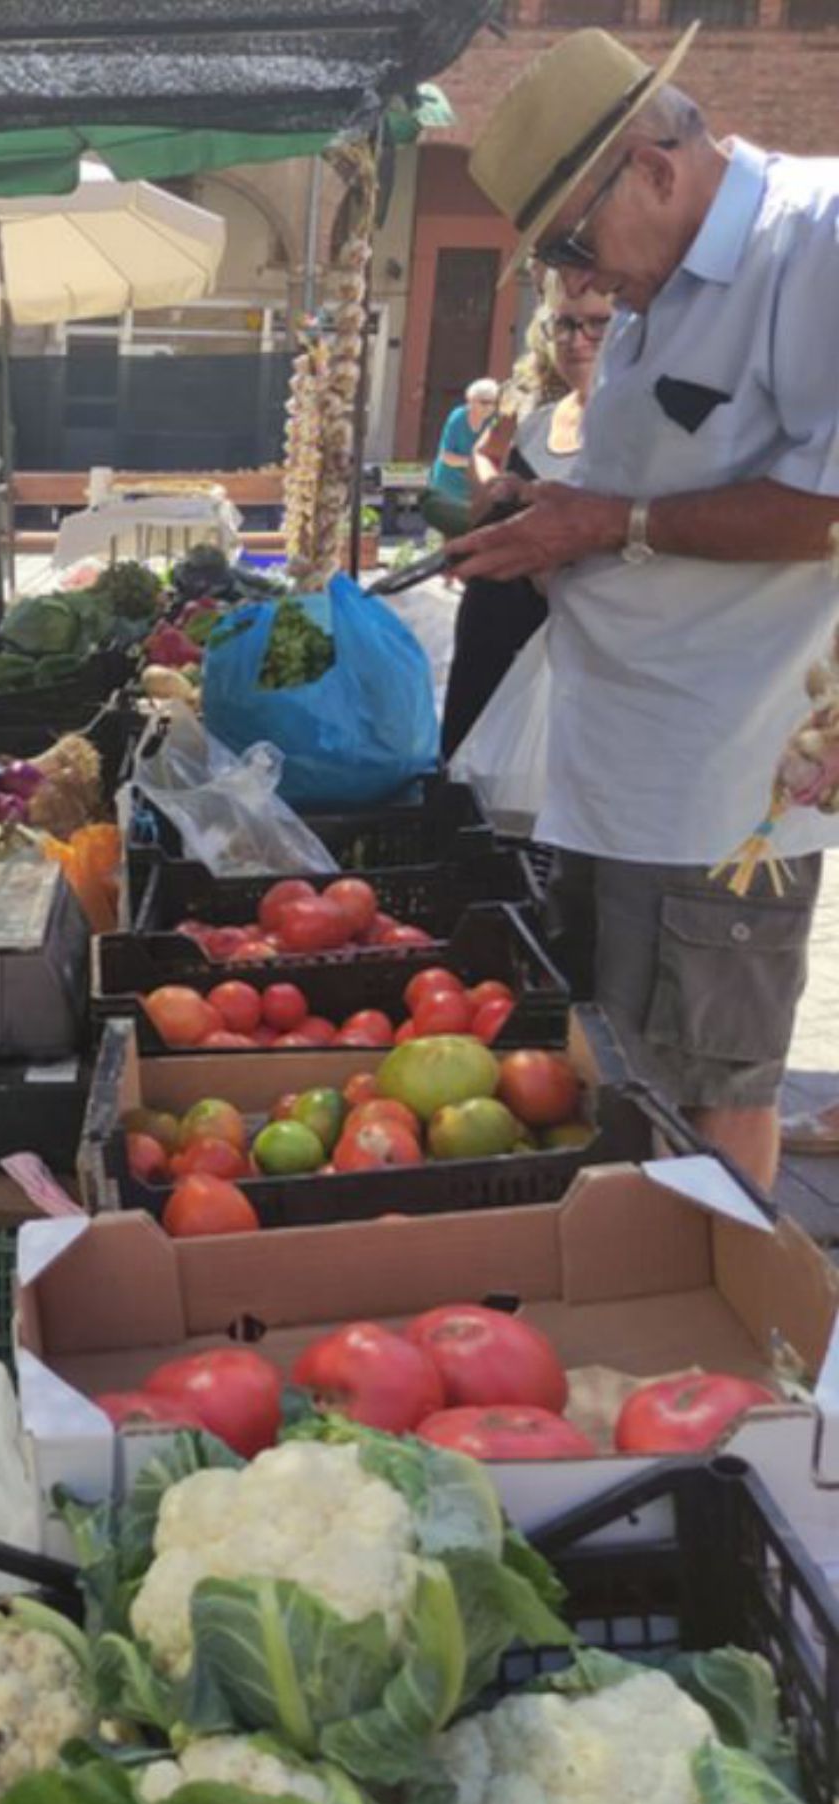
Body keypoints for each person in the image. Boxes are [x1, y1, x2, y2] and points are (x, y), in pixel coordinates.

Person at [453, 24, 839, 1191]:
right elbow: (664, 484)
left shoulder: (810, 242)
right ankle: (640, 1298)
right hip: (618, 766)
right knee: (619, 1071)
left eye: (572, 242)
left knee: (713, 1087)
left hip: (722, 790)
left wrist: (605, 526)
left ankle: (723, 1339)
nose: (574, 283)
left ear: (655, 168)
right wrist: (551, 513)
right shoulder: (658, 280)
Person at [440, 277, 613, 758]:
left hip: (561, 666)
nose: (577, 339)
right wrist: (497, 491)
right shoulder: (536, 421)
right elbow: (486, 456)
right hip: (489, 646)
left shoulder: (631, 436)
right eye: (565, 324)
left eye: (598, 324)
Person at [427, 378, 499, 512]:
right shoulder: (458, 418)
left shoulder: (494, 420)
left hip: (475, 488)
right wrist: (476, 462)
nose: (490, 407)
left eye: (494, 403)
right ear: (471, 401)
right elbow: (447, 457)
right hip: (448, 484)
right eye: (484, 402)